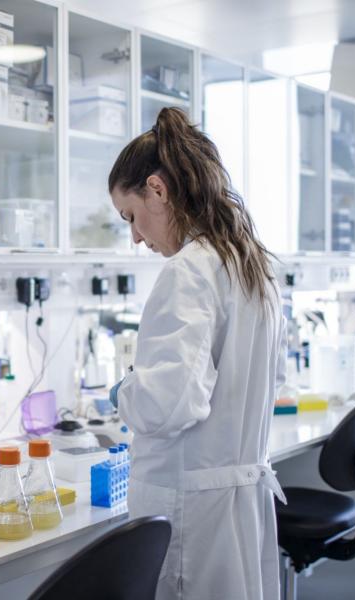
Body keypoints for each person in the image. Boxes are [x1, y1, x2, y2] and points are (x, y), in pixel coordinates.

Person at [108, 107, 287, 600]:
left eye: (132, 216)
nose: (136, 237)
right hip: (234, 501)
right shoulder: (251, 263)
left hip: (192, 509)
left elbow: (168, 405)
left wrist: (124, 390)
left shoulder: (188, 271)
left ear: (157, 190)